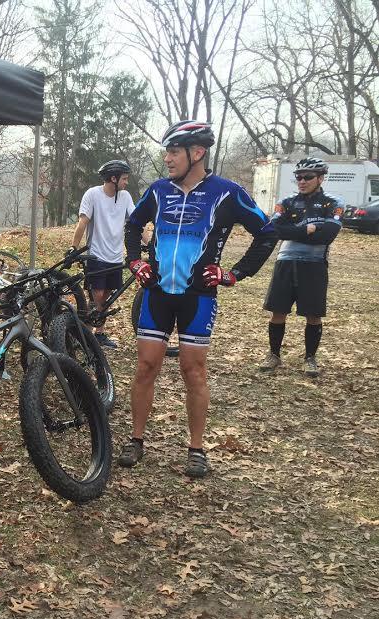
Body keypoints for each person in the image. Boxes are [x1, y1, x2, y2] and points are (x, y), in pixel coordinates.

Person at [121, 121, 277, 478]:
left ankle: (196, 448)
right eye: (167, 151)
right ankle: (136, 438)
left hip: (199, 296)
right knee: (146, 367)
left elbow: (266, 233)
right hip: (157, 293)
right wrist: (135, 260)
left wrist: (234, 273)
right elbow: (133, 224)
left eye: (174, 151)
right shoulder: (159, 190)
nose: (167, 158)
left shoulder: (227, 192)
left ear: (198, 153)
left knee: (193, 371)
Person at [259, 157, 342, 377]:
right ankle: (274, 354)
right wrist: (308, 230)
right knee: (278, 311)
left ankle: (310, 358)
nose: (302, 181)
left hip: (314, 265)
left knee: (313, 314)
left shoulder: (333, 203)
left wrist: (294, 230)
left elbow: (328, 235)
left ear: (321, 178)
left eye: (308, 177)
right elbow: (276, 230)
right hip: (285, 262)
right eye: (298, 177)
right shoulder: (286, 202)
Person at [71, 160, 134, 348]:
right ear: (112, 178)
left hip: (115, 256)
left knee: (106, 297)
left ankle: (99, 334)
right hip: (96, 256)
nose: (126, 182)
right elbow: (83, 222)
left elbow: (135, 222)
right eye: (124, 179)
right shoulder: (92, 194)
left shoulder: (125, 197)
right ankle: (84, 335)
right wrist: (74, 247)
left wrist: (151, 243)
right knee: (96, 296)